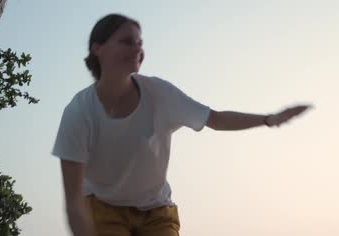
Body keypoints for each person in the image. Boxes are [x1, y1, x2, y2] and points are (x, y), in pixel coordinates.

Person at [52, 13, 312, 236]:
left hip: (156, 212)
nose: (137, 49)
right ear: (98, 48)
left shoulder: (159, 94)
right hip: (103, 209)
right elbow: (74, 203)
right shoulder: (79, 112)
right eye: (126, 42)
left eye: (140, 43)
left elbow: (216, 119)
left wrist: (268, 119)